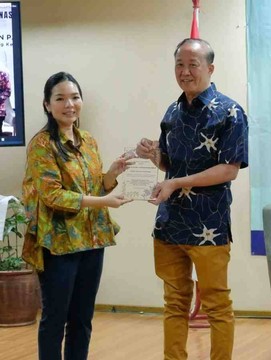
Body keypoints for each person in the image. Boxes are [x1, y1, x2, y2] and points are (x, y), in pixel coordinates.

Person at [135, 38, 248, 360]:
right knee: (174, 302)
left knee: (216, 304)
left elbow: (229, 170)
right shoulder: (172, 111)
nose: (185, 72)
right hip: (170, 223)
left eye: (193, 65)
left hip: (208, 224)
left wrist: (178, 183)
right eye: (179, 65)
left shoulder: (230, 112)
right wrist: (152, 154)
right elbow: (169, 163)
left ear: (210, 68)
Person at [22, 71, 131, 360]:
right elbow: (53, 195)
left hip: (92, 240)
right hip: (58, 244)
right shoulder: (42, 144)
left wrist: (112, 174)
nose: (69, 104)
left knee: (82, 320)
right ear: (47, 105)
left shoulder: (88, 141)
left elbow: (95, 186)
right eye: (60, 98)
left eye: (75, 97)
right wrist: (104, 201)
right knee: (55, 320)